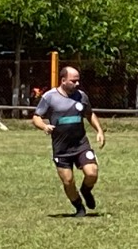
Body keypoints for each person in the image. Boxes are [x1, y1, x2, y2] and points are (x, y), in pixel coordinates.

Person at [32, 65, 106, 216]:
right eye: (73, 81)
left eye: (78, 81)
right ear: (63, 80)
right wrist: (44, 127)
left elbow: (89, 114)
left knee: (92, 173)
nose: (77, 84)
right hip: (61, 148)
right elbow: (36, 117)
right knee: (68, 181)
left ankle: (86, 191)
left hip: (81, 144)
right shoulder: (49, 97)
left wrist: (99, 131)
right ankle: (79, 207)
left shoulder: (81, 96)